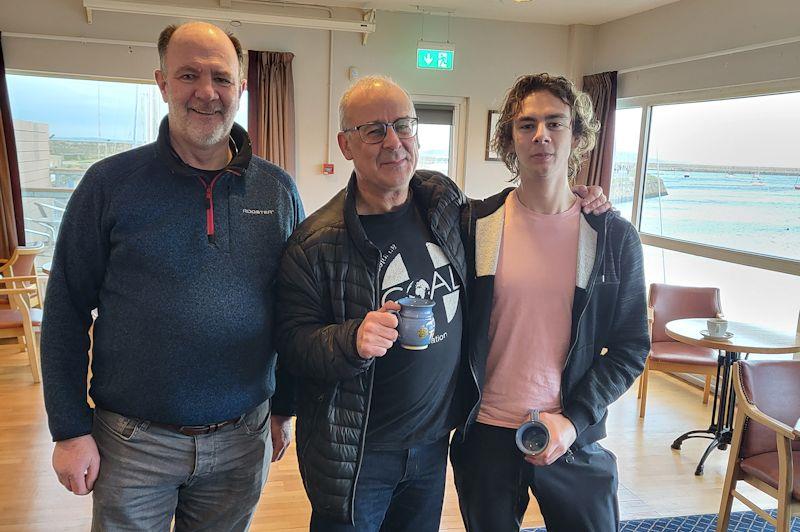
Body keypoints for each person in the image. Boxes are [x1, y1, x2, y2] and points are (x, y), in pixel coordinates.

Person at [275, 75, 609, 531]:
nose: (393, 142)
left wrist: (585, 199)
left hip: (432, 446)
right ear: (345, 144)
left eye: (403, 126)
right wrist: (349, 339)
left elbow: (529, 220)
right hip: (358, 454)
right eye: (374, 130)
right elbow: (291, 344)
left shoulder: (445, 205)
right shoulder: (315, 242)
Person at [40, 21, 303, 531]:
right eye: (188, 75)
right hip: (132, 442)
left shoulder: (277, 191)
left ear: (242, 88)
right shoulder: (109, 185)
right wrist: (69, 429)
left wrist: (283, 408)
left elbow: (292, 309)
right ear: (162, 83)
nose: (206, 92)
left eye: (221, 78)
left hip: (241, 438)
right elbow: (67, 307)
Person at [450, 73, 650, 532]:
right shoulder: (475, 224)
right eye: (527, 125)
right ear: (510, 138)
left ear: (577, 136)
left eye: (555, 123)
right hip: (485, 433)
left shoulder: (612, 238)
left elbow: (631, 347)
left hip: (572, 431)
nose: (541, 135)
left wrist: (574, 421)